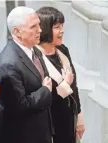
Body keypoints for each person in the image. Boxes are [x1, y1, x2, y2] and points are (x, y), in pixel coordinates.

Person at [0, 6, 53, 143]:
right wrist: (45, 90)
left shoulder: (34, 50)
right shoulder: (8, 64)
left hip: (41, 131)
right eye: (33, 27)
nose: (40, 30)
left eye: (39, 24)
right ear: (17, 32)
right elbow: (18, 106)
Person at [36, 7, 85, 143]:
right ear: (45, 29)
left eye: (62, 26)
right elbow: (42, 96)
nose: (62, 31)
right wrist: (65, 85)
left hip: (69, 118)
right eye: (57, 27)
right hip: (51, 123)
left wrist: (79, 116)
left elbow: (74, 87)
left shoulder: (62, 50)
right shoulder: (35, 57)